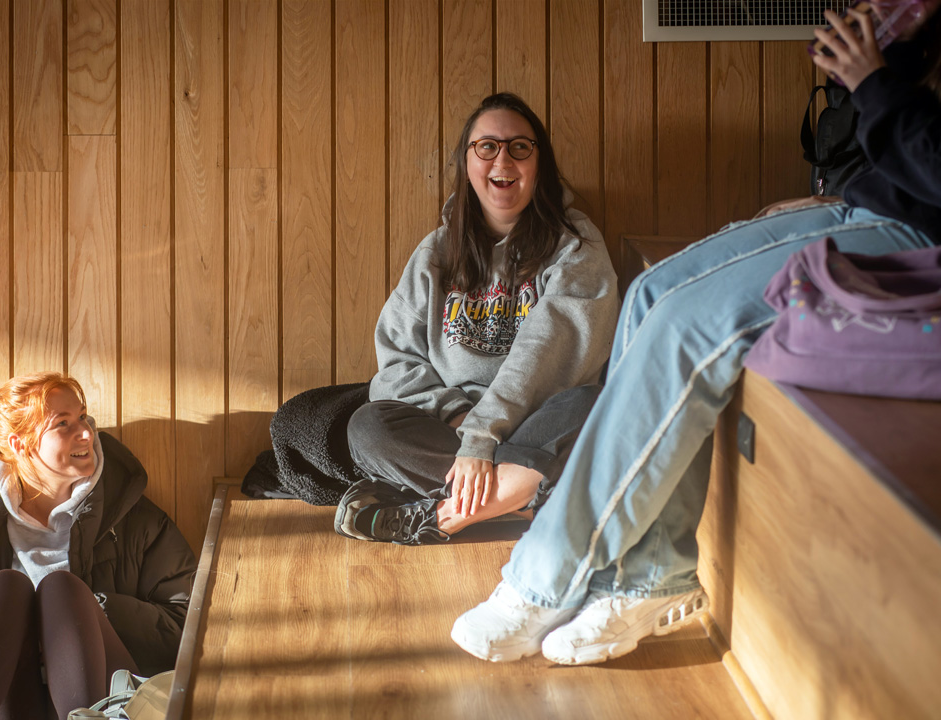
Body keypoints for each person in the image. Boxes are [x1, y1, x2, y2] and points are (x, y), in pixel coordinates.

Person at [452, 4, 941, 665]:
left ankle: (544, 576)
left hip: (919, 239)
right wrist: (889, 64)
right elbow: (907, 154)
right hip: (875, 204)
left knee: (689, 324)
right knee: (651, 293)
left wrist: (875, 80)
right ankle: (652, 576)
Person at [334, 92, 619, 545]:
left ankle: (445, 516)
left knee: (591, 405)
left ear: (538, 164)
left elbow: (548, 354)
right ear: (467, 162)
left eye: (519, 147)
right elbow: (397, 361)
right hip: (456, 429)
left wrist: (485, 436)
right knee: (367, 427)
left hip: (537, 420)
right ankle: (518, 498)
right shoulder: (437, 251)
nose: (502, 158)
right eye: (487, 146)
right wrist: (465, 427)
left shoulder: (574, 244)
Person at [0, 372, 196, 720]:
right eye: (64, 424)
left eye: (82, 417)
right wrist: (8, 622)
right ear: (20, 445)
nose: (88, 432)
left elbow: (186, 624)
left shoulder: (133, 517)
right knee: (6, 590)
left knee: (62, 592)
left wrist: (91, 612)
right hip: (3, 702)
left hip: (105, 696)